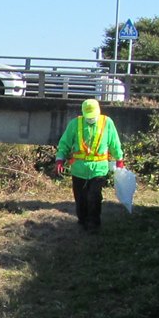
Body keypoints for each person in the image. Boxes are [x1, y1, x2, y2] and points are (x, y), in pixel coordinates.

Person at [53, 97, 125, 234]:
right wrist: (59, 159)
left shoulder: (107, 123)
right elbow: (64, 143)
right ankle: (82, 220)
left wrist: (119, 159)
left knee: (94, 195)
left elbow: (115, 143)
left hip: (99, 168)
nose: (91, 119)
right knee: (80, 197)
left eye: (93, 116)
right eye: (88, 116)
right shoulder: (75, 124)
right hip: (79, 168)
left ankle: (93, 223)